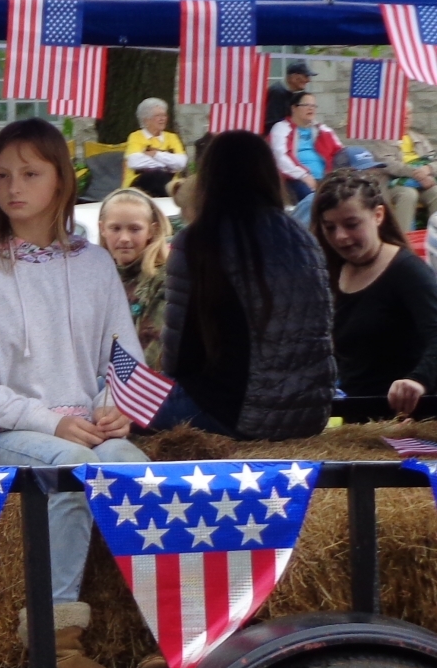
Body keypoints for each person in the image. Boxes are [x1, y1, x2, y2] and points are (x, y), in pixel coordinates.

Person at [0, 118, 152, 668]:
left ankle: (166, 631)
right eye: (2, 174)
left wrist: (118, 408)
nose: (14, 187)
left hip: (84, 428)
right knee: (72, 468)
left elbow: (124, 359)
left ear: (60, 180)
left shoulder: (96, 263)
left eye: (30, 173)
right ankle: (55, 641)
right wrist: (49, 421)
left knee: (134, 468)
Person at [160, 130, 334, 439]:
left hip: (233, 412)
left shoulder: (198, 242)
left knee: (108, 398)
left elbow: (177, 357)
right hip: (310, 414)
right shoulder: (303, 239)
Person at [311, 169, 437, 415]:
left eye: (351, 224)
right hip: (354, 416)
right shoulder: (331, 272)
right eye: (330, 227)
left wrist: (417, 380)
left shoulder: (407, 271)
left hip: (406, 421)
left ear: (378, 215)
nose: (341, 237)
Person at [97, 188, 170, 369]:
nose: (124, 238)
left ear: (151, 231)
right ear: (102, 229)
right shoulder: (95, 279)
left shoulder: (163, 279)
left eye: (135, 229)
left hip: (143, 385)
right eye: (115, 228)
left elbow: (153, 349)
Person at [270, 92, 342, 205]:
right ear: (294, 108)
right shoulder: (281, 128)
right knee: (312, 203)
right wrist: (303, 175)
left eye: (313, 106)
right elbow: (280, 157)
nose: (311, 108)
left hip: (326, 178)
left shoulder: (323, 130)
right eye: (306, 105)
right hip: (295, 179)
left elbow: (341, 152)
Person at [121, 98, 187, 196]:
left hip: (170, 182)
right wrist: (168, 164)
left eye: (164, 115)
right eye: (157, 116)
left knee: (161, 177)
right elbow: (134, 162)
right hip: (139, 183)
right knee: (157, 175)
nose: (162, 119)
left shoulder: (172, 137)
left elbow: (181, 162)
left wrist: (155, 154)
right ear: (146, 120)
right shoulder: (136, 136)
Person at [265, 59, 315, 133]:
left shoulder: (290, 93)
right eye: (306, 76)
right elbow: (273, 123)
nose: (308, 80)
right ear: (293, 77)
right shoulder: (277, 92)